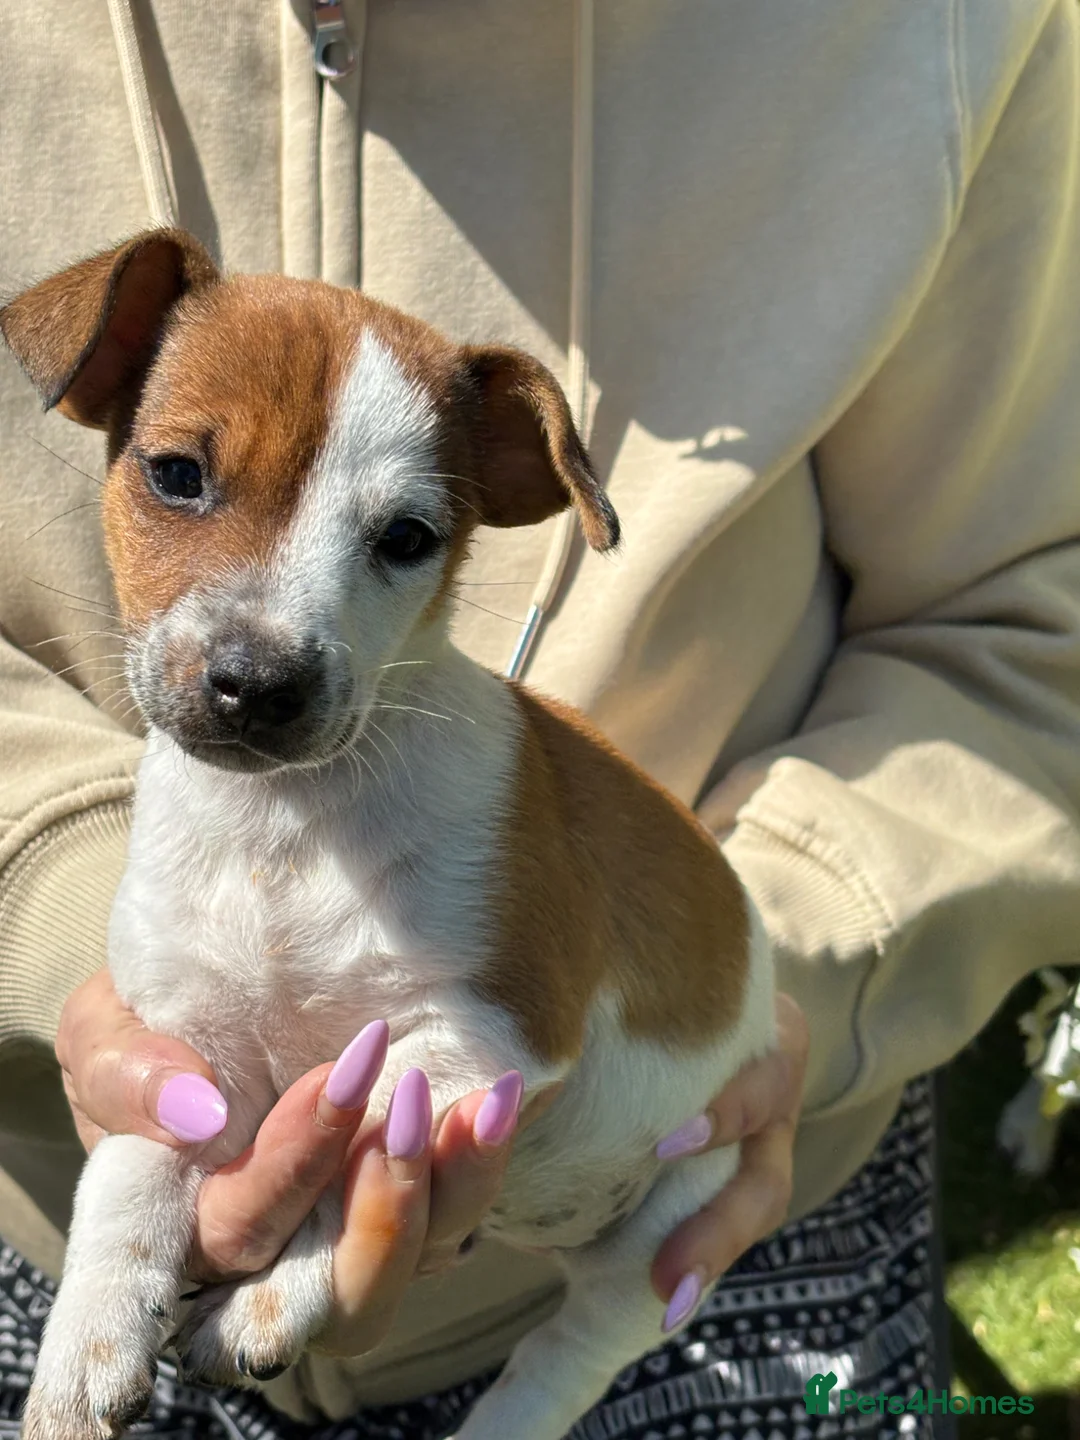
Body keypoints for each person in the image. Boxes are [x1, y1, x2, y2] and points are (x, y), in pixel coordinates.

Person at [2, 2, 1079, 1436]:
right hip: (28, 1178)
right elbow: (167, 1102)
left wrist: (791, 972)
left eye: (396, 544)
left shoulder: (951, 31)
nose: (262, 647)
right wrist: (50, 910)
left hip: (740, 1189)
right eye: (185, 481)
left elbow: (1027, 617)